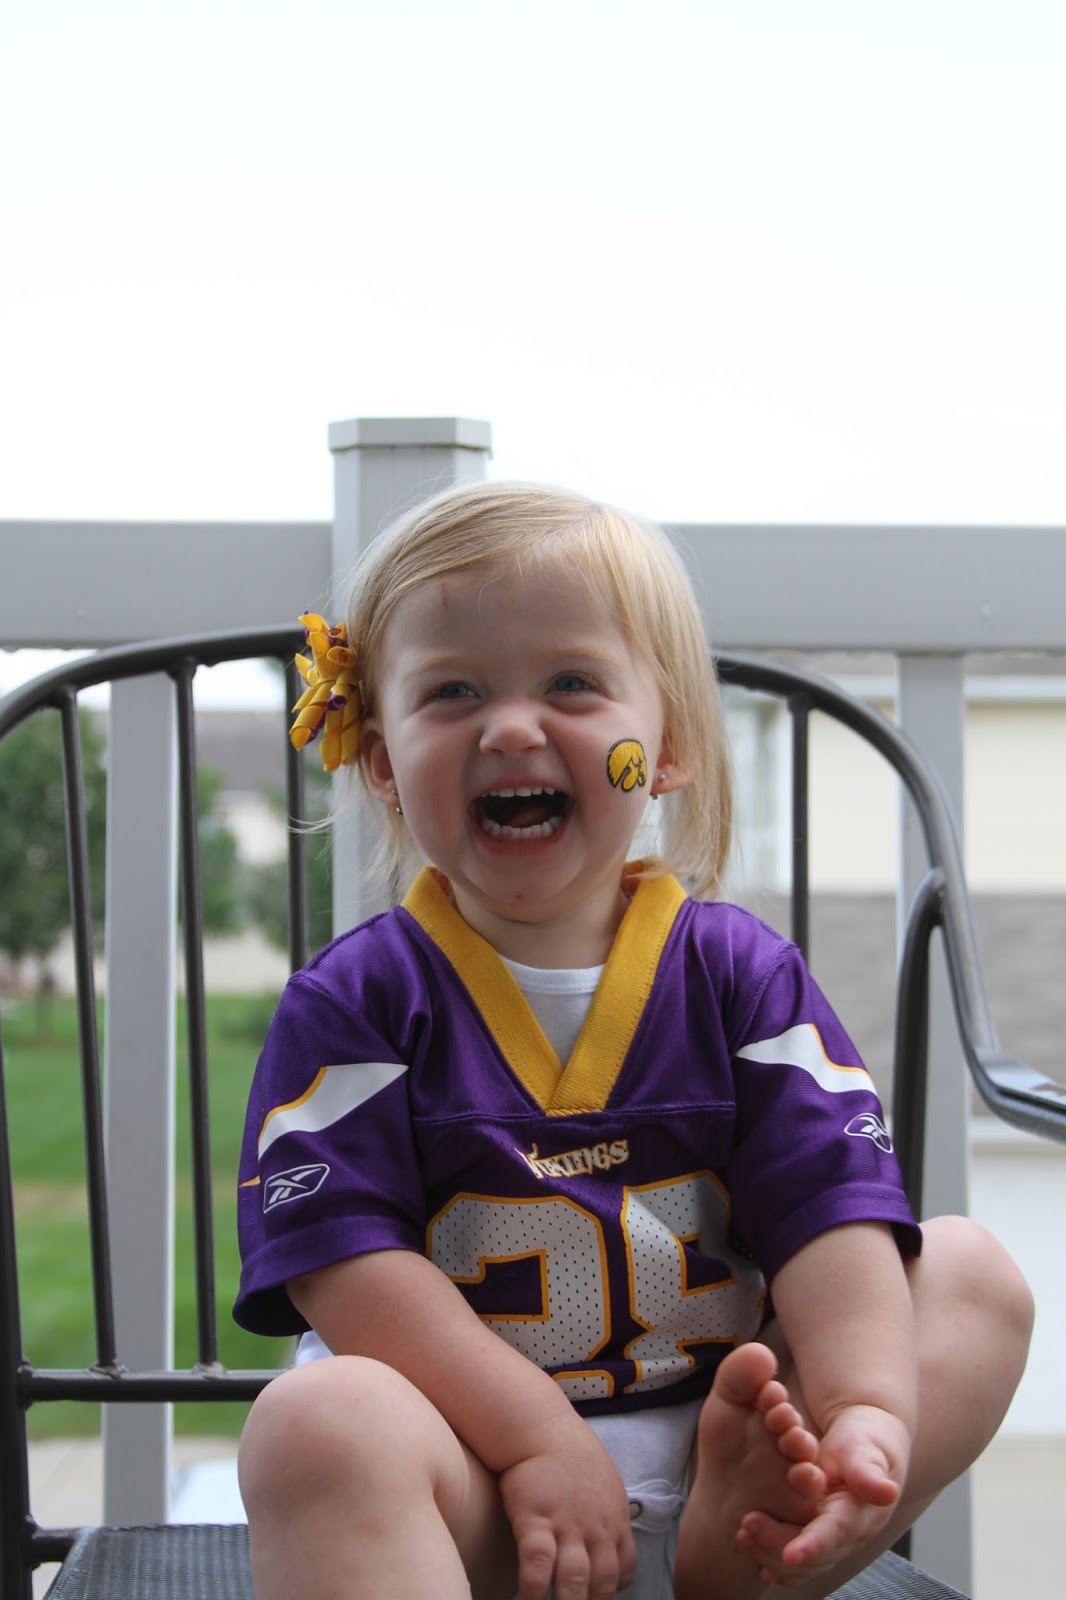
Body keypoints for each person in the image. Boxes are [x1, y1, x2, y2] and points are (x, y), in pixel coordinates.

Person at [233, 481, 1032, 1600]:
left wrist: (860, 1405)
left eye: (571, 683)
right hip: (478, 1499)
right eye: (452, 691)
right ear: (380, 762)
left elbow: (830, 1209)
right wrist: (536, 1442)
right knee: (314, 1422)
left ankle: (751, 1551)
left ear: (668, 747)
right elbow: (343, 1267)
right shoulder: (356, 1002)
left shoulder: (741, 979)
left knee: (972, 1279)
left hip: (728, 1450)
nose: (512, 727)